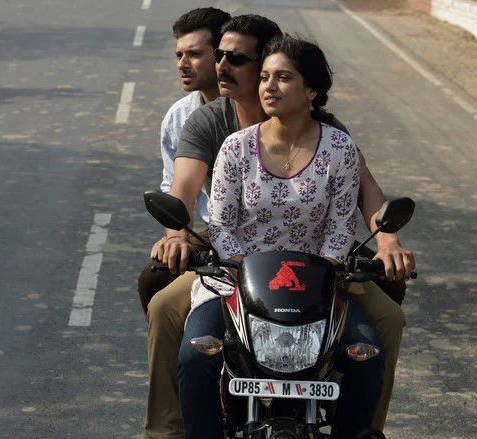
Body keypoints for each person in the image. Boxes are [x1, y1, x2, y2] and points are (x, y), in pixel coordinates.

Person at [150, 14, 415, 433]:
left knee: (370, 349)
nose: (269, 86)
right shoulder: (230, 142)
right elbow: (217, 220)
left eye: (282, 77)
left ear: (311, 90)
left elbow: (346, 218)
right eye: (266, 78)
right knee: (193, 351)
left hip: (322, 276)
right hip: (236, 274)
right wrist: (220, 259)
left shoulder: (338, 144)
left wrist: (382, 245)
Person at [139, 8, 231, 438]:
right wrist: (177, 234)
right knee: (156, 282)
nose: (183, 64)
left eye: (194, 54)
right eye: (179, 54)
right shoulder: (180, 116)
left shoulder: (268, 111)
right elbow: (175, 188)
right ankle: (169, 419)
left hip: (278, 241)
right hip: (207, 233)